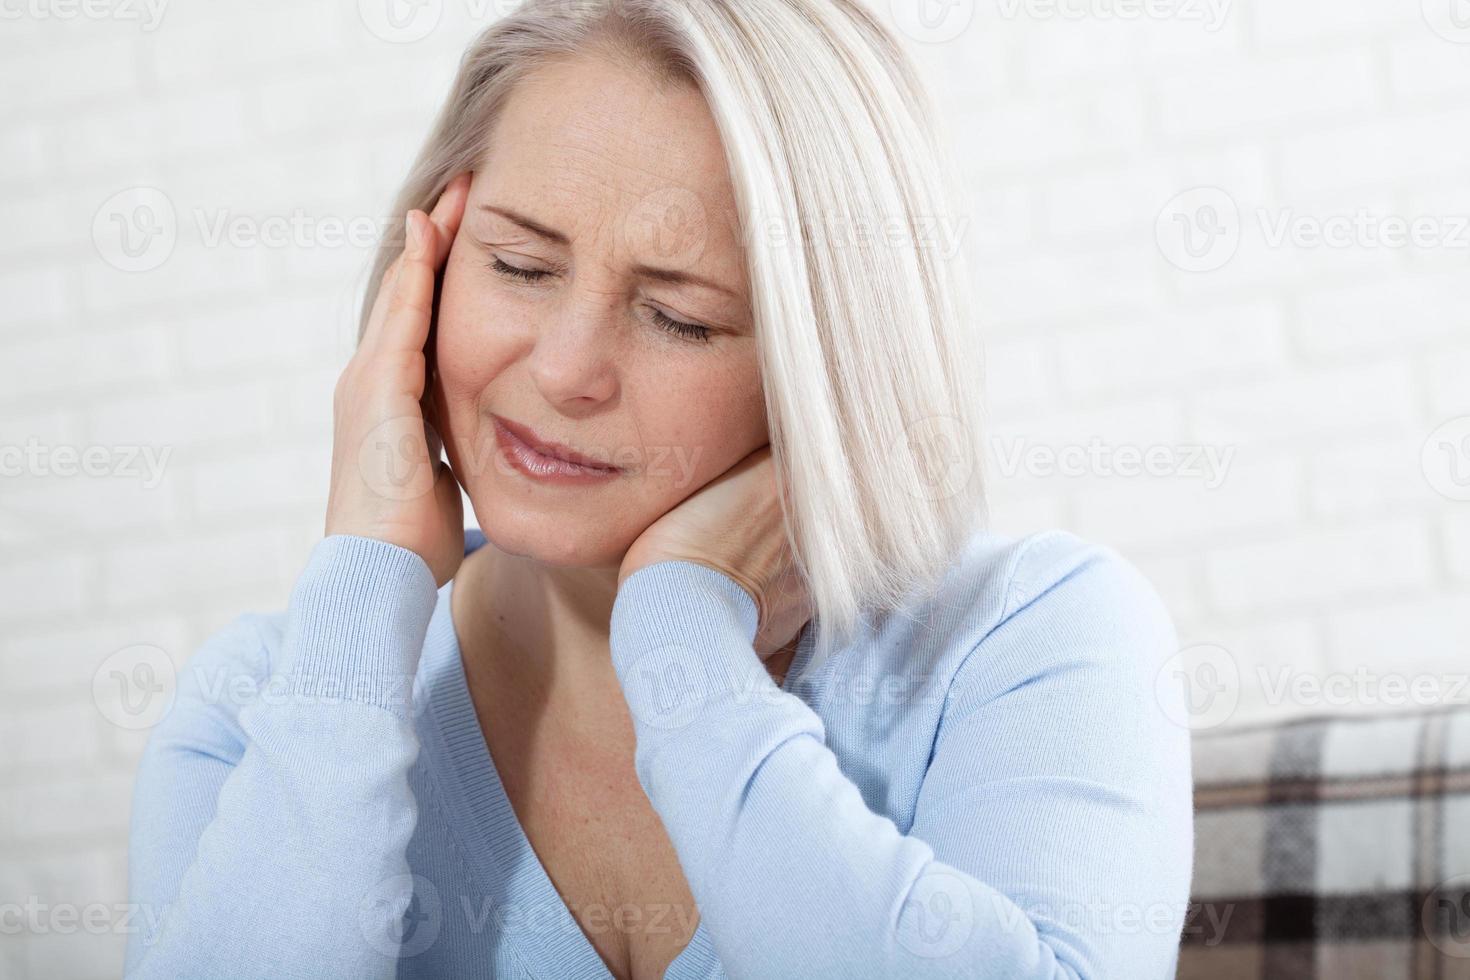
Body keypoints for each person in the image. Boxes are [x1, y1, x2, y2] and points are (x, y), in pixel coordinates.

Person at [123, 1, 1194, 977]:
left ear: (831, 363)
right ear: (431, 262)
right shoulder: (261, 701)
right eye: (521, 266)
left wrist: (685, 636)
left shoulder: (1029, 641)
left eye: (680, 316)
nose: (564, 369)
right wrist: (364, 582)